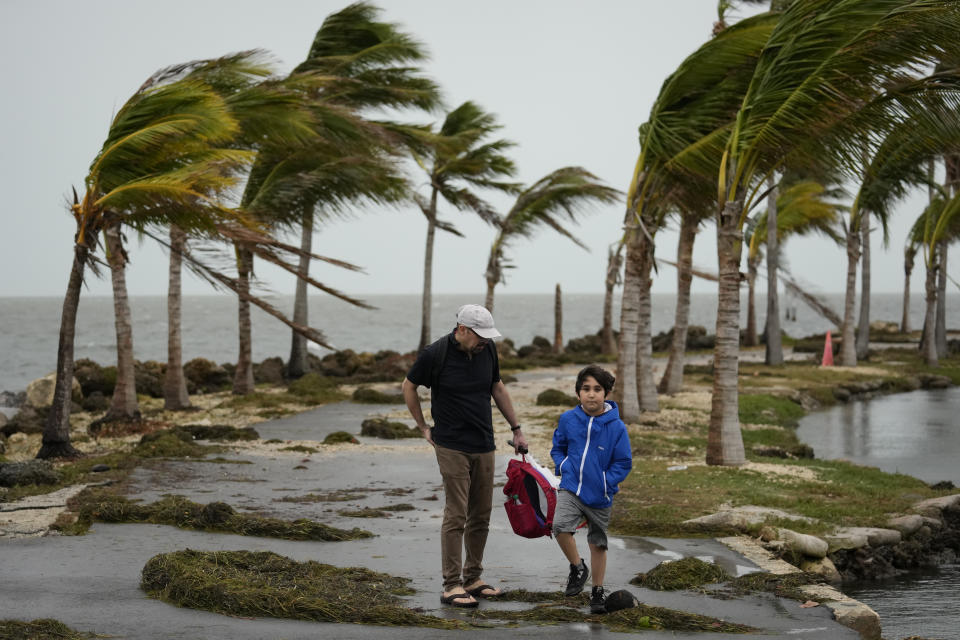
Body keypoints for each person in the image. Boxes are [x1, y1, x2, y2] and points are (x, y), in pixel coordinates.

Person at [402, 304, 528, 608]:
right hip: (451, 444)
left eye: (487, 336)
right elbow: (409, 386)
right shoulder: (435, 354)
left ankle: (473, 578)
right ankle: (451, 584)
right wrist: (422, 427)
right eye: (479, 335)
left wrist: (517, 429)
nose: (484, 340)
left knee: (481, 515)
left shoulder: (488, 350)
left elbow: (496, 387)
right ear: (462, 329)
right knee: (456, 514)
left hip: (484, 442)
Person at [550, 364, 632, 614]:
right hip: (571, 488)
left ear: (606, 393)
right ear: (578, 393)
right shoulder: (568, 419)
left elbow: (623, 461)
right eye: (586, 389)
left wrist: (606, 482)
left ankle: (597, 592)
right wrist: (564, 466)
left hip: (600, 495)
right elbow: (558, 448)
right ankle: (577, 567)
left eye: (597, 389)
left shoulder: (616, 427)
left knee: (598, 543)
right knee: (559, 526)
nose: (591, 394)